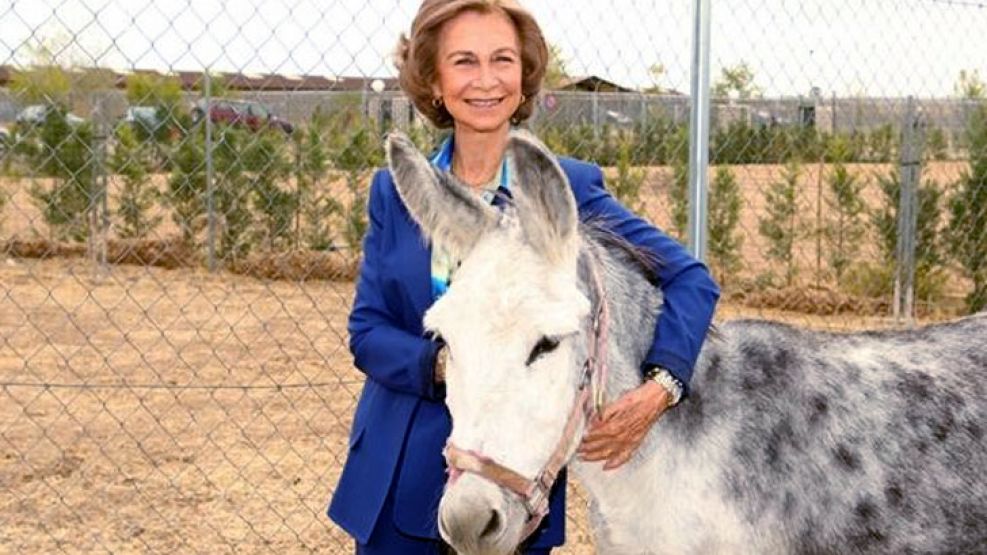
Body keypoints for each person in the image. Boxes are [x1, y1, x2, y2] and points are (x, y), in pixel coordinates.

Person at [328, 1, 720, 553]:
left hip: (516, 485)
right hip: (399, 480)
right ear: (433, 79)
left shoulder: (567, 191)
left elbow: (690, 280)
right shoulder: (396, 192)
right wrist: (453, 363)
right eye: (464, 61)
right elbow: (367, 330)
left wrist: (660, 388)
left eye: (502, 60)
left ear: (523, 74)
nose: (486, 80)